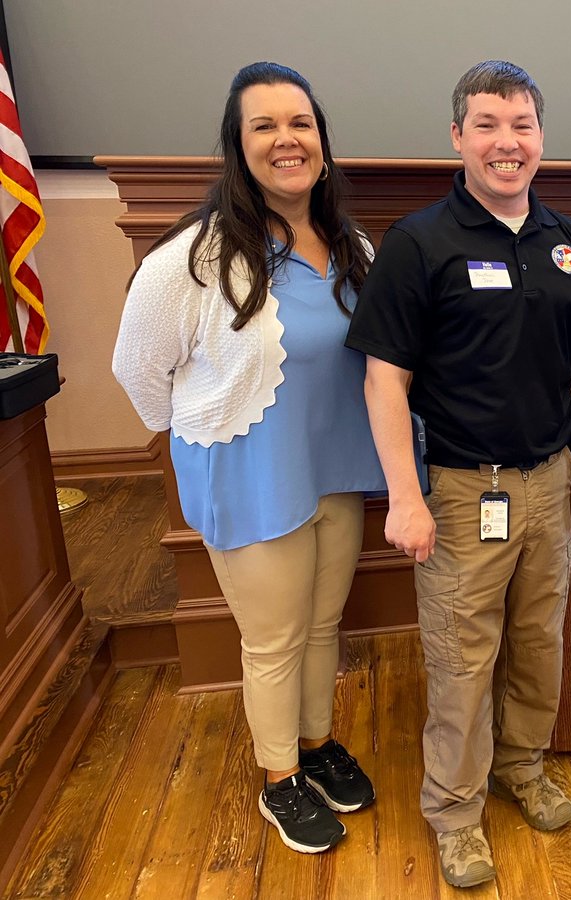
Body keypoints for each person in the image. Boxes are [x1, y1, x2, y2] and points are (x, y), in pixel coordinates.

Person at [346, 60, 571, 889]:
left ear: (541, 136)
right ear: (459, 138)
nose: (508, 143)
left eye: (522, 126)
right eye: (489, 126)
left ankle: (522, 766)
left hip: (550, 480)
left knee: (539, 643)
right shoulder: (418, 242)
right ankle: (456, 811)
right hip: (464, 492)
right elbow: (383, 379)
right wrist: (404, 496)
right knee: (464, 659)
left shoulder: (566, 241)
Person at [113, 61, 384, 855]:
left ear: (323, 146)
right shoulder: (190, 261)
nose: (286, 139)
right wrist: (204, 438)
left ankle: (311, 744)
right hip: (252, 475)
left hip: (335, 469)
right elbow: (137, 372)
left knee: (323, 623)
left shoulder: (352, 245)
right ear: (237, 146)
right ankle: (278, 781)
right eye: (264, 126)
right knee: (273, 638)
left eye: (300, 124)